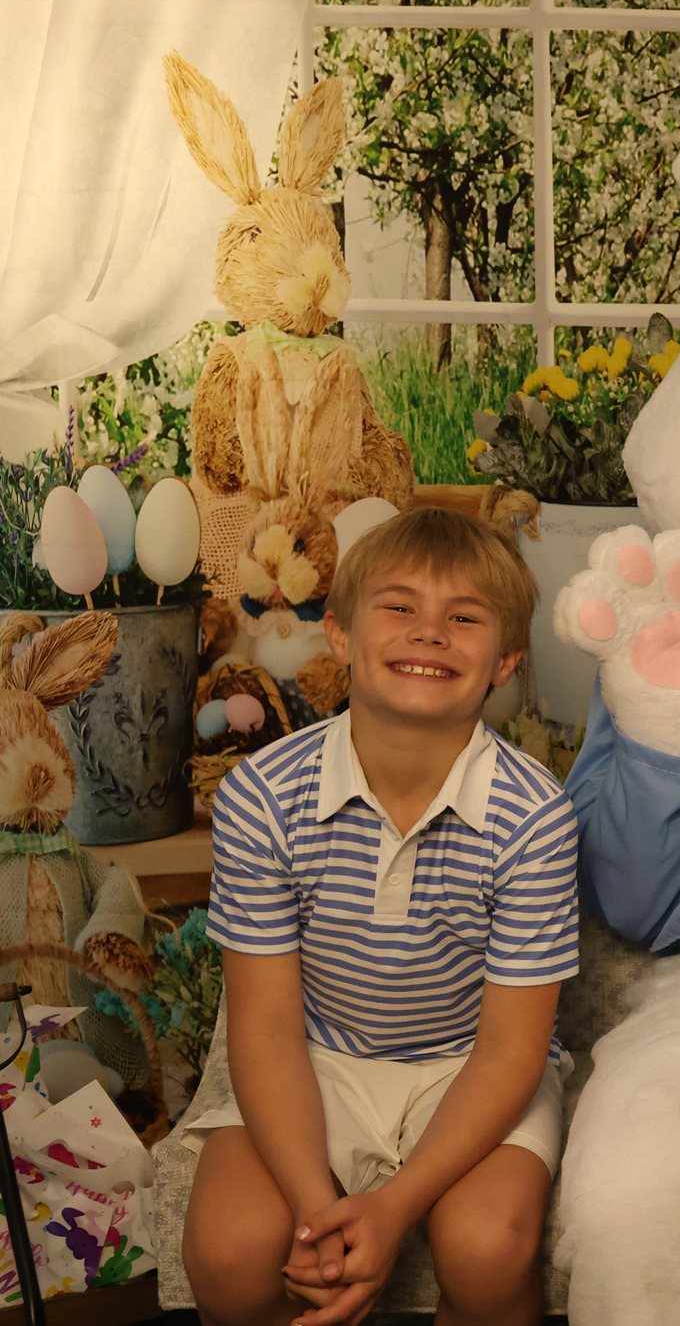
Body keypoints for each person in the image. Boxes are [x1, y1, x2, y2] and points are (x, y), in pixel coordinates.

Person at [180, 507, 580, 1326]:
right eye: (399, 607)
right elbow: (265, 1029)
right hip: (316, 1052)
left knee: (487, 1247)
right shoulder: (263, 795)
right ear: (339, 633)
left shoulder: (535, 818)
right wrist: (314, 1210)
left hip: (469, 1064)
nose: (429, 632)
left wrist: (392, 1208)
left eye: (464, 618)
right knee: (230, 1251)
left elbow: (510, 1047)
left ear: (505, 660)